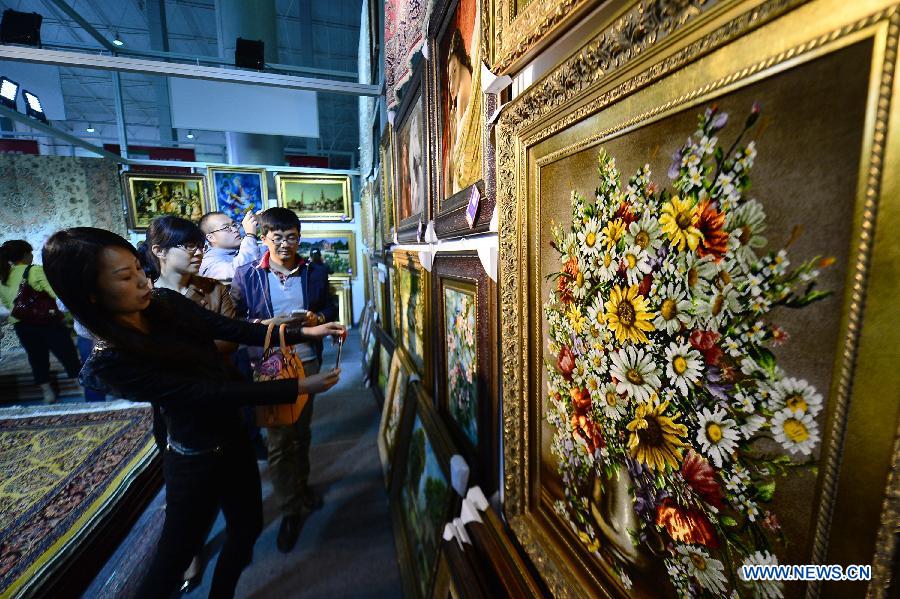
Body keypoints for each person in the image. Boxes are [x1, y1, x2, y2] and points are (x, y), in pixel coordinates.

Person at [42, 227, 344, 599]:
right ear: (90, 294)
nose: (143, 281)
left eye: (139, 269)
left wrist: (306, 335)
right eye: (125, 277)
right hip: (194, 456)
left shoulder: (164, 303)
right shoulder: (110, 360)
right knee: (174, 557)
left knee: (247, 530)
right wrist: (299, 386)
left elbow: (228, 328)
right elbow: (207, 392)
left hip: (232, 437)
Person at [138, 215, 243, 591]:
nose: (200, 252)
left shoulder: (214, 290)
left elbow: (230, 342)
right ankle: (192, 549)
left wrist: (176, 356)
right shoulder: (144, 299)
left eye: (202, 244)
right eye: (191, 245)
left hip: (220, 401)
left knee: (236, 497)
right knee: (182, 489)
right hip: (174, 413)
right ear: (159, 252)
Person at [230, 207, 338, 553]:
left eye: (291, 236)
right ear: (264, 238)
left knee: (301, 433)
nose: (285, 243)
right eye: (277, 236)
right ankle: (290, 508)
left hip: (307, 361)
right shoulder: (247, 274)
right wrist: (267, 324)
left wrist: (317, 316)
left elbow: (331, 307)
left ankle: (302, 487)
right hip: (269, 366)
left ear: (299, 237)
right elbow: (235, 321)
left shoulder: (316, 272)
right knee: (278, 440)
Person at [0, 239, 82, 404]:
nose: (32, 256)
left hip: (21, 324)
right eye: (30, 253)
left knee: (36, 357)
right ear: (25, 254)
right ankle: (79, 386)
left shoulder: (4, 275)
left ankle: (47, 393)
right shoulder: (34, 270)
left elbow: (9, 304)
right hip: (47, 320)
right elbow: (55, 292)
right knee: (67, 353)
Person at [199, 210, 261, 284]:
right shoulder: (209, 263)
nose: (235, 230)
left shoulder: (237, 251)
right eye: (226, 228)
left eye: (234, 225)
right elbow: (240, 270)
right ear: (211, 238)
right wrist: (250, 235)